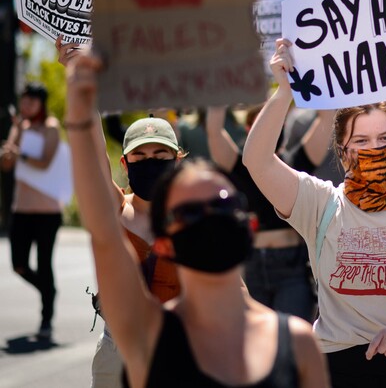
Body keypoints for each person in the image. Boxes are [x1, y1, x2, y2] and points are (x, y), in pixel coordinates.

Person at [64, 52, 328, 388]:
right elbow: (100, 212)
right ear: (166, 242)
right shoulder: (149, 338)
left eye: (222, 205)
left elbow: (237, 294)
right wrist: (81, 105)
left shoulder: (295, 344)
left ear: (247, 226)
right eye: (188, 213)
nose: (207, 219)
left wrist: (284, 89)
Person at [243, 38, 386, 388]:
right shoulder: (319, 203)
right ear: (343, 152)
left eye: (384, 139)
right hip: (338, 367)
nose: (374, 149)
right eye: (361, 141)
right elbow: (256, 160)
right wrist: (284, 91)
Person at [56, 36, 182, 388]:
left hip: (178, 350)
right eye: (140, 157)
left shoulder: (193, 217)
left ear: (177, 161)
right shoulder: (114, 208)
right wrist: (77, 80)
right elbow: (93, 148)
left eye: (161, 156)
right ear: (125, 164)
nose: (150, 163)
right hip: (117, 353)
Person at [206, 104, 334, 322]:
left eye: (276, 121)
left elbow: (327, 118)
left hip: (293, 267)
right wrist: (221, 92)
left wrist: (295, 87)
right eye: (258, 123)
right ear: (249, 130)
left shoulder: (296, 161)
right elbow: (214, 132)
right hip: (253, 266)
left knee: (291, 344)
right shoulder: (240, 165)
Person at [0, 82, 62, 339]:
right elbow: (6, 164)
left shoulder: (50, 127)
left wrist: (20, 154)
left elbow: (45, 161)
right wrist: (14, 134)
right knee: (19, 265)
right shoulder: (21, 127)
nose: (26, 106)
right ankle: (49, 291)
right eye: (24, 101)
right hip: (22, 208)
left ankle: (46, 317)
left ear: (41, 103)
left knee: (44, 263)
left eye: (31, 102)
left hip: (47, 210)